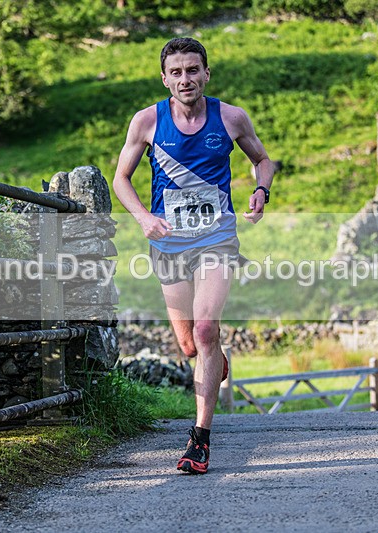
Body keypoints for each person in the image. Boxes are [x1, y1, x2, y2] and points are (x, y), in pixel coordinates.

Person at [113, 37, 274, 474]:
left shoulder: (231, 118)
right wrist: (144, 218)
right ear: (165, 79)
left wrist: (261, 189)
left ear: (206, 74)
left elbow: (263, 160)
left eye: (193, 70)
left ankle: (199, 440)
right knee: (189, 344)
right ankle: (213, 358)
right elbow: (120, 179)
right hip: (167, 243)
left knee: (205, 328)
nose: (186, 79)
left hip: (216, 239)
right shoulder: (147, 122)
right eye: (176, 72)